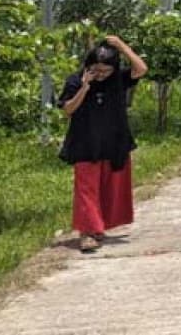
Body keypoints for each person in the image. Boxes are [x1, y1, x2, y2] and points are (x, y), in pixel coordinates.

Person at [58, 37, 148, 253]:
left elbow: (141, 68)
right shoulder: (75, 81)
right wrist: (84, 87)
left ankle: (99, 228)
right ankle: (87, 233)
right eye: (95, 69)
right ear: (87, 66)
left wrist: (120, 46)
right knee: (86, 190)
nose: (100, 74)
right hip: (85, 144)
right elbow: (68, 109)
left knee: (111, 189)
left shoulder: (118, 79)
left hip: (114, 142)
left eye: (105, 71)